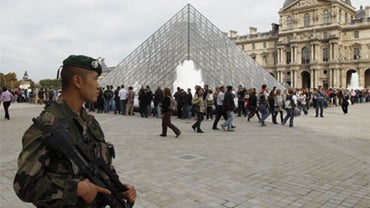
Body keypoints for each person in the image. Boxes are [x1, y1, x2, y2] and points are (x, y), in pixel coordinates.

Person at [13, 55, 136, 207]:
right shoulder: (47, 126)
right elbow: (24, 187)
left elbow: (100, 166)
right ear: (77, 81)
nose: (99, 86)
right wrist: (76, 189)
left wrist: (119, 188)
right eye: (95, 78)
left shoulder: (91, 123)